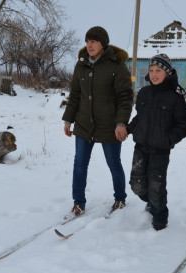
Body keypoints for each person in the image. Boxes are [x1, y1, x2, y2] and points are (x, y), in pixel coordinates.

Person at [62, 26, 134, 216]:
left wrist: (121, 123)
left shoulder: (116, 65)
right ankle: (78, 202)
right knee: (79, 164)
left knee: (113, 163)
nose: (89, 45)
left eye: (93, 41)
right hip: (84, 124)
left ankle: (120, 198)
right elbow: (75, 95)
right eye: (87, 41)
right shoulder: (81, 64)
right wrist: (68, 119)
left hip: (109, 126)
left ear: (103, 43)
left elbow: (125, 97)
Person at [127, 54, 186, 231]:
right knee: (137, 185)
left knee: (156, 185)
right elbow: (140, 117)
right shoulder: (144, 93)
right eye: (151, 70)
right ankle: (151, 203)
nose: (154, 74)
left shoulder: (175, 97)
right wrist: (129, 129)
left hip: (160, 149)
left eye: (158, 70)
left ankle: (160, 215)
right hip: (140, 146)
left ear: (167, 73)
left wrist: (168, 139)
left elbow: (183, 125)